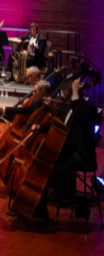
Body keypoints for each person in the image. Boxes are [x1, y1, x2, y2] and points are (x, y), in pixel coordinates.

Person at [31, 79, 99, 220]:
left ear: (74, 95)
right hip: (68, 151)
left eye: (66, 95)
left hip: (82, 155)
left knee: (57, 167)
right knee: (48, 165)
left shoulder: (89, 109)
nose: (63, 99)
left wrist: (75, 92)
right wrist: (41, 127)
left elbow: (79, 115)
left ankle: (67, 196)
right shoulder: (67, 109)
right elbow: (58, 126)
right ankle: (41, 207)